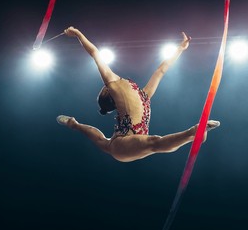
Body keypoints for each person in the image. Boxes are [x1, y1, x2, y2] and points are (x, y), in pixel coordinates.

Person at [57, 26, 220, 162]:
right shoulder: (114, 84)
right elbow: (95, 53)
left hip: (125, 144)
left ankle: (74, 124)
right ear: (107, 91)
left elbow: (161, 70)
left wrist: (180, 49)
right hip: (124, 143)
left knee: (103, 142)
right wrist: (78, 34)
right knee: (154, 142)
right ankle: (193, 133)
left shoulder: (143, 95)